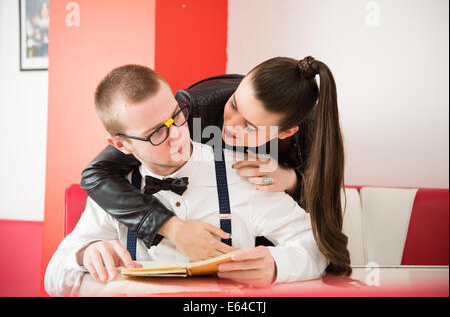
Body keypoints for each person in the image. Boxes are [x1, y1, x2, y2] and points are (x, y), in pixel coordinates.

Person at [44, 65, 328, 296]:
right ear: (121, 146)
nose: (177, 135)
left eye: (175, 117)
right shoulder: (114, 190)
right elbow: (53, 277)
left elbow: (315, 245)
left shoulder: (239, 172)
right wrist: (85, 255)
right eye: (156, 133)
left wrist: (277, 265)